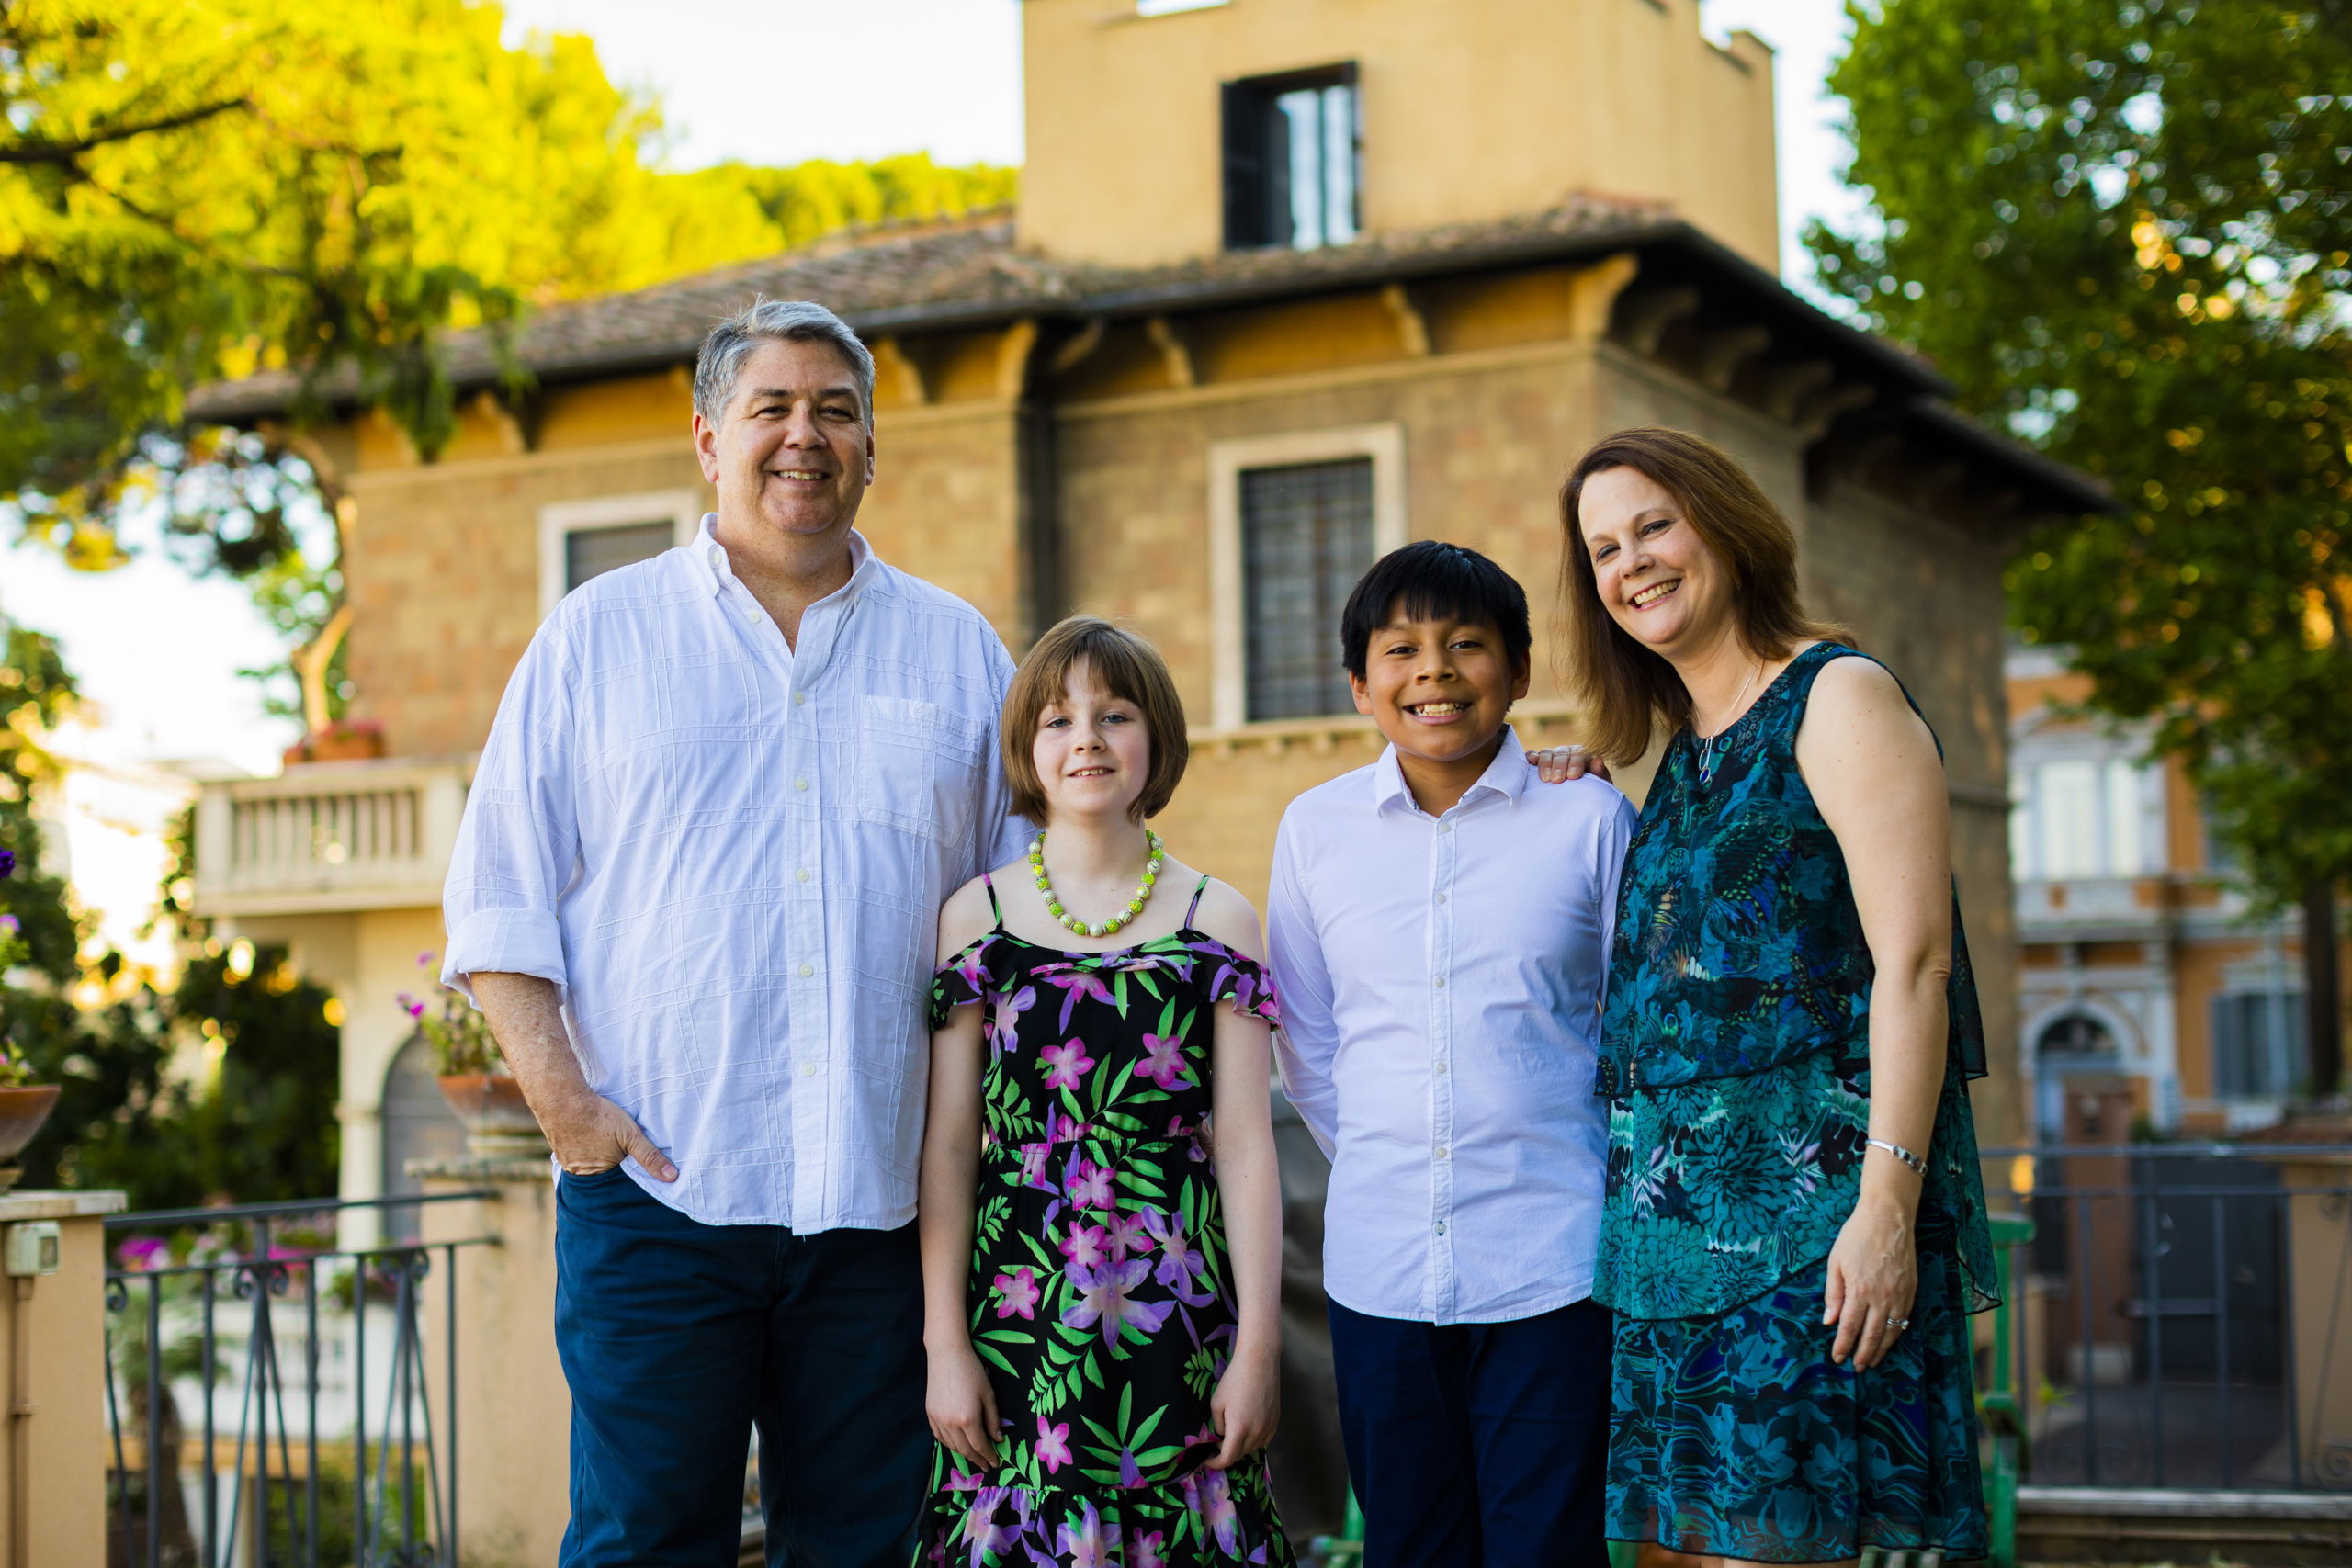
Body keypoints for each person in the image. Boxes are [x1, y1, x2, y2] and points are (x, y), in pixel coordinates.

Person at [440, 299, 1033, 1567]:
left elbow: (1023, 915)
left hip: (883, 1208)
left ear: (872, 446)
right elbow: (498, 895)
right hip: (659, 1197)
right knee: (645, 1539)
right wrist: (570, 1113)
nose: (804, 436)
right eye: (772, 407)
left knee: (869, 1545)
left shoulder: (960, 655)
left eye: (835, 410)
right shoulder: (597, 639)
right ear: (709, 440)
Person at [1541, 425, 1999, 1566]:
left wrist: (1884, 1213)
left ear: (1724, 526)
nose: (1631, 562)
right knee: (1677, 1556)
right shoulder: (1681, 755)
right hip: (1666, 1233)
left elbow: (1916, 966)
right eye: (1603, 549)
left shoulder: (1835, 697)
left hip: (1807, 1227)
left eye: (1654, 525)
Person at [1267, 541, 1634, 1568]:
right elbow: (1311, 1040)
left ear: (1517, 672)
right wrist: (1397, 1155)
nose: (1433, 670)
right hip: (1379, 1265)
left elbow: (1632, 1032)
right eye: (1401, 649)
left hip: (1553, 1264)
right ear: (1360, 683)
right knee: (1411, 1548)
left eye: (1465, 644)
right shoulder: (1315, 830)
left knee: (1547, 1550)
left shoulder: (1590, 818)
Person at [914, 615, 1294, 1567]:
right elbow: (953, 1145)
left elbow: (1247, 1146)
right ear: (1026, 749)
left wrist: (1256, 1350)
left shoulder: (1221, 917)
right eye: (1056, 719)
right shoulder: (977, 917)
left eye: (1113, 714)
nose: (1084, 737)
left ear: (1154, 740)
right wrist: (943, 1345)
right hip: (1019, 1313)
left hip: (1178, 1305)